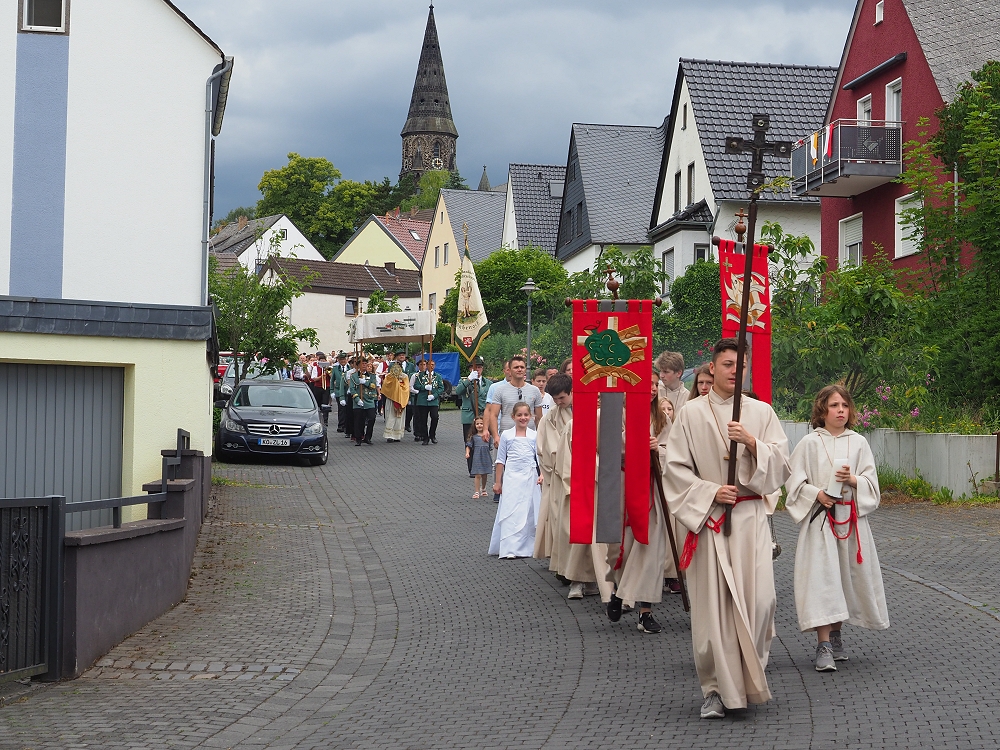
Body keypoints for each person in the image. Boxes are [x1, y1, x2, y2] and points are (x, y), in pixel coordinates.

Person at [664, 338, 791, 719]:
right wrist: (710, 492)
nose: (735, 370)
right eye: (727, 364)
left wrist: (751, 443)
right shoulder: (691, 414)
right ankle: (716, 689)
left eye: (741, 365)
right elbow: (675, 468)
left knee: (761, 603)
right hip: (710, 520)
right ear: (713, 368)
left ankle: (749, 678)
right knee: (713, 611)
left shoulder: (762, 412)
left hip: (750, 520)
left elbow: (782, 466)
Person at [785, 385, 889, 672]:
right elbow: (793, 483)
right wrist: (817, 494)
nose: (840, 410)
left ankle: (836, 635)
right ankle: (824, 644)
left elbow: (872, 484)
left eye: (844, 405)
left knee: (843, 577)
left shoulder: (859, 443)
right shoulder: (809, 443)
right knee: (823, 580)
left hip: (851, 522)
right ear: (822, 410)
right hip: (820, 522)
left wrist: (853, 480)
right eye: (834, 405)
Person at [606, 370, 672, 634]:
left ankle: (646, 612)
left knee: (650, 549)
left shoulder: (663, 418)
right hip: (624, 485)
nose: (653, 388)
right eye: (648, 384)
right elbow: (609, 447)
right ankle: (619, 590)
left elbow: (675, 452)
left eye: (656, 384)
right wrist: (635, 441)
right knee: (623, 547)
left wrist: (659, 450)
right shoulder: (618, 414)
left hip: (652, 488)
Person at [489, 402, 541, 559]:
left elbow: (539, 458)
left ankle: (528, 546)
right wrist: (498, 482)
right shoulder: (506, 435)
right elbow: (500, 460)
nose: (523, 418)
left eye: (526, 415)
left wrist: (542, 474)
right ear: (513, 417)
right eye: (519, 415)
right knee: (511, 509)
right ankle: (510, 547)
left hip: (530, 476)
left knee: (529, 510)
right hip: (512, 476)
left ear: (531, 416)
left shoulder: (534, 435)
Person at [485, 355, 543, 446]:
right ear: (510, 370)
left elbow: (539, 418)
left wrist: (540, 437)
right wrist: (495, 436)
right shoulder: (500, 390)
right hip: (506, 438)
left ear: (525, 370)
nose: (519, 369)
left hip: (529, 438)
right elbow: (493, 415)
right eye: (516, 367)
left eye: (522, 367)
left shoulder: (535, 390)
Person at [455, 356, 493, 473]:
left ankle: (483, 467)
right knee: (470, 442)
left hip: (483, 417)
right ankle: (472, 469)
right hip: (469, 416)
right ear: (470, 369)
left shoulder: (488, 383)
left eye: (479, 367)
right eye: (474, 367)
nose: (477, 370)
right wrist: (469, 380)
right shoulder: (464, 381)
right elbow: (458, 391)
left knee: (484, 442)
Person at [381, 354, 411, 443]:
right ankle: (389, 435)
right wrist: (395, 383)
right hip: (391, 399)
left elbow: (406, 388)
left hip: (401, 399)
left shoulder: (404, 376)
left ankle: (397, 435)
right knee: (390, 417)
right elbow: (386, 386)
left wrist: (399, 388)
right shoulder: (389, 376)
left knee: (399, 418)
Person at [348, 358, 378, 446]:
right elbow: (352, 389)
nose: (364, 365)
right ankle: (358, 438)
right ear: (358, 366)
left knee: (372, 418)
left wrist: (365, 382)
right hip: (358, 401)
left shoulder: (372, 375)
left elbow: (373, 386)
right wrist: (357, 400)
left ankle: (368, 437)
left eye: (365, 363)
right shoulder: (353, 376)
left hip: (369, 400)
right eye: (362, 364)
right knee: (359, 421)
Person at [415, 359, 445, 445]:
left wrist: (434, 395)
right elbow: (416, 385)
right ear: (426, 365)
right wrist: (424, 387)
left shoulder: (438, 376)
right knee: (423, 419)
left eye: (433, 365)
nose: (431, 366)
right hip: (423, 401)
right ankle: (425, 437)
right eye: (429, 364)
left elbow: (441, 388)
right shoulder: (420, 375)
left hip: (433, 401)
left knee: (435, 417)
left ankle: (432, 435)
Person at [466, 417, 494, 498]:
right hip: (477, 457)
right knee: (477, 475)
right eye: (477, 424)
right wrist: (467, 453)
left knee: (484, 474)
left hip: (486, 457)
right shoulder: (473, 437)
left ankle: (483, 488)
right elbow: (468, 445)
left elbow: (491, 447)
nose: (479, 425)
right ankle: (476, 491)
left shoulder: (488, 436)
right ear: (474, 425)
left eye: (481, 424)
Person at [409, 359, 427, 442]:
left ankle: (424, 433)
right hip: (417, 397)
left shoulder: (429, 375)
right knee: (417, 415)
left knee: (424, 416)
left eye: (424, 364)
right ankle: (417, 433)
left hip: (426, 397)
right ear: (418, 366)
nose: (423, 366)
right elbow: (410, 387)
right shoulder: (415, 375)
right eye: (421, 365)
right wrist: (417, 392)